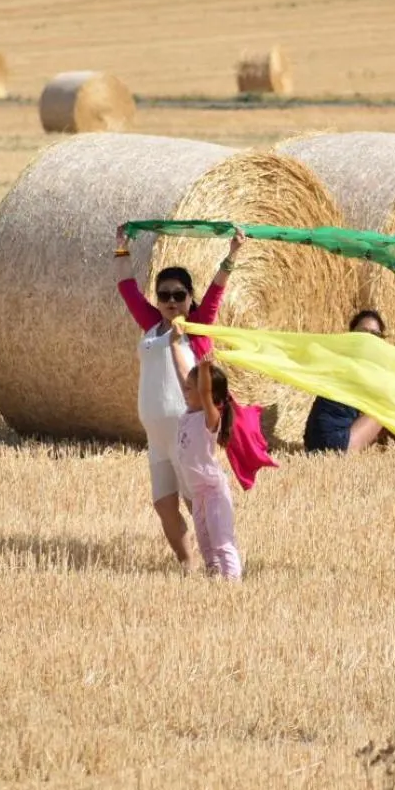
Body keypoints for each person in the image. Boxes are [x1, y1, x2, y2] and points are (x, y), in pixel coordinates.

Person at [115, 228, 271, 571]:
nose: (171, 301)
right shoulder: (152, 326)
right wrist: (122, 249)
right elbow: (127, 290)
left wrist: (232, 254)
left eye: (179, 294)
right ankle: (189, 565)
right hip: (157, 436)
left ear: (189, 297)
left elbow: (217, 291)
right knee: (163, 504)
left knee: (196, 501)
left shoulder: (198, 328)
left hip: (188, 434)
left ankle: (223, 564)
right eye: (164, 295)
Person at [168, 323, 242, 580]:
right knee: (206, 544)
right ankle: (213, 583)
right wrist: (174, 344)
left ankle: (233, 585)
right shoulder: (190, 412)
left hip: (213, 492)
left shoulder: (210, 419)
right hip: (198, 493)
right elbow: (181, 374)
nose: (185, 391)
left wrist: (205, 370)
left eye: (191, 389)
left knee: (222, 542)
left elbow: (205, 391)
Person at [303, 309, 394, 453]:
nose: (368, 338)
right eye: (363, 332)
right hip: (335, 443)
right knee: (385, 409)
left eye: (375, 335)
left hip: (312, 443)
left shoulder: (339, 361)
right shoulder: (360, 367)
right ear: (351, 335)